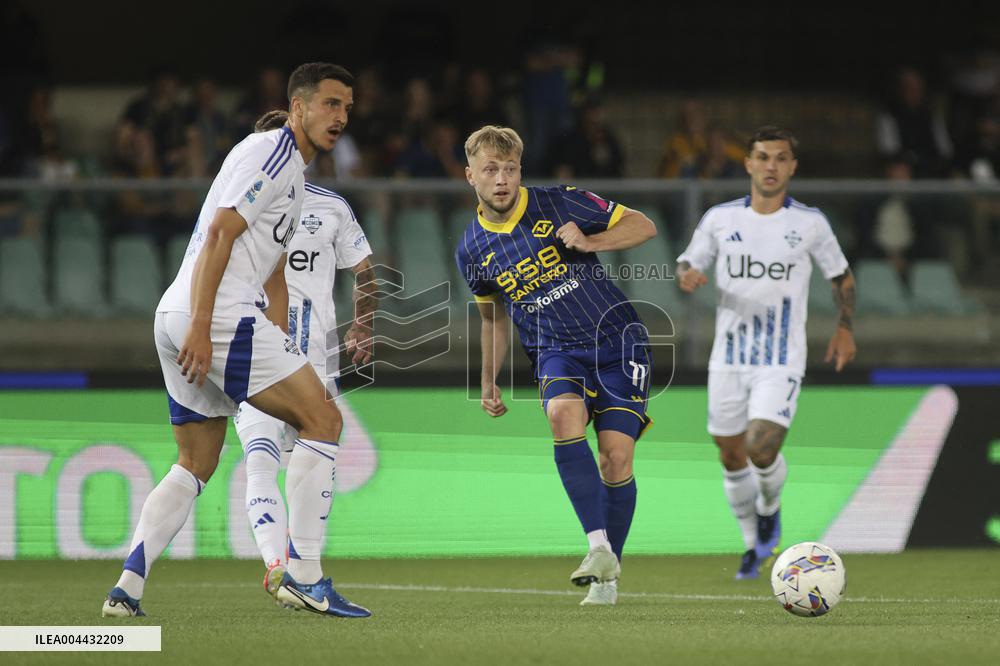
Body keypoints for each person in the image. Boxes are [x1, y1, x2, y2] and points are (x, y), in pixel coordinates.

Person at [101, 63, 370, 619]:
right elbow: (222, 231)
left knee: (196, 462)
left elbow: (270, 271)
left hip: (180, 312)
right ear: (297, 107)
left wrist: (274, 338)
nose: (340, 116)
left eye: (346, 106)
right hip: (214, 315)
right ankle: (305, 576)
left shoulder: (291, 176)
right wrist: (203, 326)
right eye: (329, 104)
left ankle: (126, 589)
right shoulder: (273, 152)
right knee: (324, 419)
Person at [455, 126, 658, 606]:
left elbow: (644, 225)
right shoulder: (472, 248)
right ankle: (598, 547)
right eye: (490, 170)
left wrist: (593, 242)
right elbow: (494, 318)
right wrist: (487, 381)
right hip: (555, 350)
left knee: (615, 459)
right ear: (471, 177)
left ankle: (608, 578)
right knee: (562, 415)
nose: (502, 179)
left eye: (510, 168)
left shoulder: (561, 202)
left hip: (618, 342)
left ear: (520, 170)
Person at [675, 126, 857, 579]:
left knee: (760, 446)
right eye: (763, 157)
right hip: (728, 358)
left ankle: (770, 505)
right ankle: (753, 544)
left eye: (780, 158)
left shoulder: (810, 223)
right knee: (730, 453)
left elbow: (842, 278)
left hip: (781, 357)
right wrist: (686, 276)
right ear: (749, 164)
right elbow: (687, 261)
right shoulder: (721, 219)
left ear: (792, 167)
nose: (771, 165)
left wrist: (845, 328)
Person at [234, 108, 376, 606]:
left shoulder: (325, 208)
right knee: (275, 461)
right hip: (264, 351)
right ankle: (288, 569)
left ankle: (287, 565)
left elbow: (364, 270)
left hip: (295, 356)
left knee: (286, 464)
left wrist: (363, 321)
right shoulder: (247, 211)